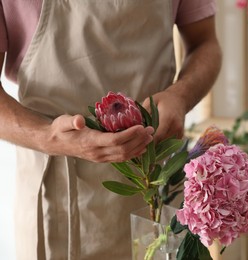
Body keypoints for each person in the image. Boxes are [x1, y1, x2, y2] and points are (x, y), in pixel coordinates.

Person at [0, 0, 222, 259]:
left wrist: (181, 97)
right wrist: (48, 137)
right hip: (59, 198)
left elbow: (205, 42)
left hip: (157, 181)